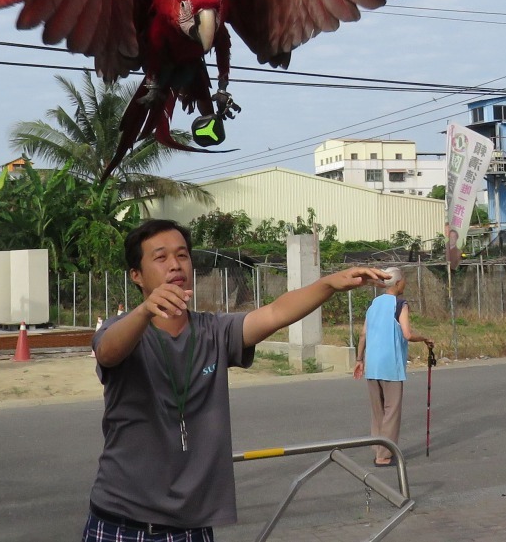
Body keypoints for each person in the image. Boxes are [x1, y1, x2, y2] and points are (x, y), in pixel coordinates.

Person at [84, 218, 388, 541]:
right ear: (137, 275)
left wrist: (328, 284)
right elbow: (107, 352)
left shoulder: (215, 331)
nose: (175, 265)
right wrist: (145, 311)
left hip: (191, 528)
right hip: (122, 524)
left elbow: (274, 313)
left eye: (182, 255)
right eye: (160, 258)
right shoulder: (121, 329)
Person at [352, 266, 433, 468]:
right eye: (404, 279)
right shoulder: (400, 304)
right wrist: (425, 338)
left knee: (378, 411)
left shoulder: (374, 304)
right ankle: (384, 454)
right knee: (391, 410)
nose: (405, 282)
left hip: (373, 365)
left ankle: (378, 448)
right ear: (397, 283)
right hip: (391, 365)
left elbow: (363, 334)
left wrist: (359, 359)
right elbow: (407, 334)